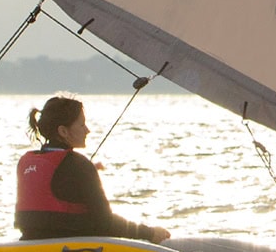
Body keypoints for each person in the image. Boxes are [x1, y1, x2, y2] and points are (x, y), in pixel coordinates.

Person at [13, 93, 170, 243]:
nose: (87, 130)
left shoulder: (25, 161)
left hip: (30, 245)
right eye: (82, 125)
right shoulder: (79, 165)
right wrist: (149, 233)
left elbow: (55, 185)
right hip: (70, 251)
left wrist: (87, 170)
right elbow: (106, 223)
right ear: (63, 131)